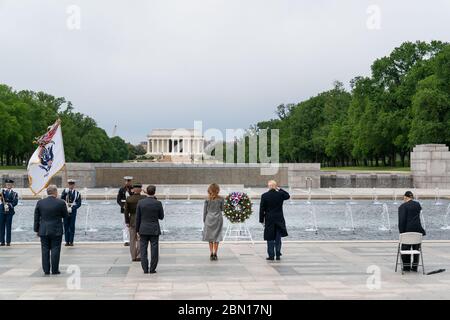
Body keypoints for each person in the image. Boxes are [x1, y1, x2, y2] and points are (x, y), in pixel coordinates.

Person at [33, 185, 69, 275]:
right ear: (55, 192)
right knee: (55, 249)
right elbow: (66, 216)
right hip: (56, 230)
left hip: (43, 230)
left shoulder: (40, 202)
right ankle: (55, 270)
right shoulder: (61, 202)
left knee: (44, 250)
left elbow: (36, 218)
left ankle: (46, 270)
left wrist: (36, 230)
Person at [136, 185, 164, 274]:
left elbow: (138, 218)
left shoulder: (140, 202)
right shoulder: (158, 203)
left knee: (143, 250)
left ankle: (145, 269)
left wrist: (137, 230)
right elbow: (161, 217)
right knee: (154, 250)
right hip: (154, 229)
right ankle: (152, 269)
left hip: (143, 229)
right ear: (154, 192)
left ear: (146, 192)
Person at [259, 180, 290, 261]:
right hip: (279, 218)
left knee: (270, 238)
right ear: (275, 186)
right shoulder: (280, 194)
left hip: (269, 219)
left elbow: (262, 209)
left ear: (269, 186)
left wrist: (261, 220)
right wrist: (280, 189)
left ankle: (271, 255)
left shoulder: (264, 196)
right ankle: (278, 254)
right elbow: (288, 196)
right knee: (278, 237)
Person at [398, 191, 426, 272]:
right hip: (418, 231)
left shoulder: (402, 207)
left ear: (405, 197)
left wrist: (401, 232)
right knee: (416, 250)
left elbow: (402, 221)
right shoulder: (417, 204)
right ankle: (415, 267)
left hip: (407, 231)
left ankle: (406, 267)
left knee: (405, 249)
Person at [124, 183, 147, 262]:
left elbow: (126, 212)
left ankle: (133, 256)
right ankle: (139, 255)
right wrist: (147, 193)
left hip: (132, 220)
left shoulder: (129, 199)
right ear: (141, 189)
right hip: (142, 220)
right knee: (141, 239)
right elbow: (154, 200)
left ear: (133, 190)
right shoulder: (144, 198)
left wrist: (127, 221)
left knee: (132, 240)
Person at [202, 183, 224, 261]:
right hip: (218, 218)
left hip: (209, 219)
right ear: (217, 190)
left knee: (210, 237)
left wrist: (204, 220)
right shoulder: (221, 199)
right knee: (217, 237)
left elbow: (204, 211)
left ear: (210, 190)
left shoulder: (207, 199)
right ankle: (215, 253)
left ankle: (211, 253)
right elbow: (222, 209)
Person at [61, 179, 82, 247]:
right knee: (66, 226)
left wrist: (73, 208)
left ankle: (71, 241)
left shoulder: (77, 193)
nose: (71, 185)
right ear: (68, 185)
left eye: (72, 184)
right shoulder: (65, 191)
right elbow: (61, 199)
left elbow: (79, 203)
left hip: (73, 211)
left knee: (72, 226)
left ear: (74, 185)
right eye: (70, 184)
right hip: (66, 210)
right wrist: (65, 193)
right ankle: (67, 241)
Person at [0, 179, 18, 246]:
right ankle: (2, 241)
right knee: (1, 226)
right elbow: (1, 199)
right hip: (2, 211)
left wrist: (9, 205)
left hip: (9, 212)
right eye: (7, 184)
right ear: (5, 185)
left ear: (12, 185)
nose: (8, 185)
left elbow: (15, 202)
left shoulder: (14, 194)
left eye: (10, 184)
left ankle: (8, 242)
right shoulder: (2, 192)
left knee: (8, 226)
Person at [117, 176, 134, 246]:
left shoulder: (133, 189)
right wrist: (122, 206)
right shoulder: (121, 189)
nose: (127, 182)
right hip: (124, 210)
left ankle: (132, 239)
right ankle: (126, 240)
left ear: (130, 182)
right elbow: (118, 200)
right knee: (125, 225)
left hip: (132, 209)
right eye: (126, 181)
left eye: (129, 181)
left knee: (132, 225)